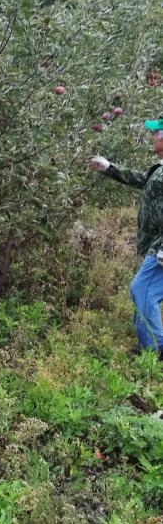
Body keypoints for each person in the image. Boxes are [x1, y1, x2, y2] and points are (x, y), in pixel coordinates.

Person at [88, 120, 163, 355]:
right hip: (154, 243)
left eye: (156, 133)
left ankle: (154, 349)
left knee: (141, 290)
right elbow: (143, 180)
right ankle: (150, 346)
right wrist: (109, 167)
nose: (152, 137)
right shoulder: (160, 168)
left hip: (160, 246)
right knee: (145, 292)